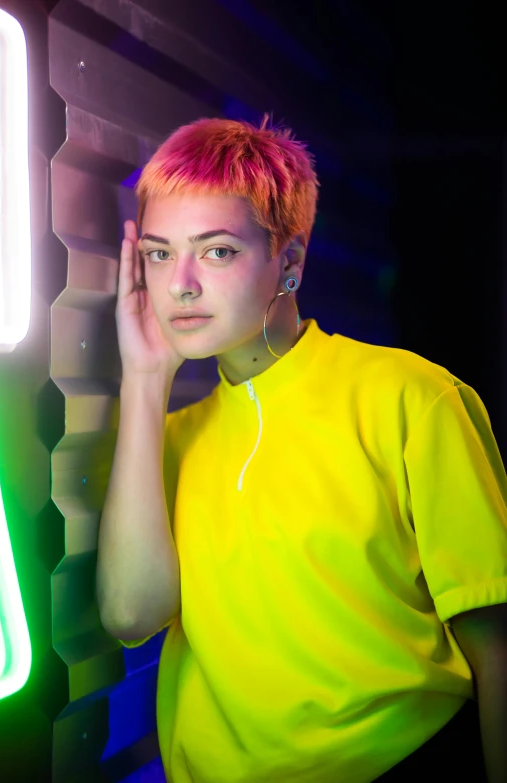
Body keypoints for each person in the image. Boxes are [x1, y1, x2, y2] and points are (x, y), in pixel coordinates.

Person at [96, 114, 507, 783]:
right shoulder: (163, 441)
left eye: (218, 250)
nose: (181, 284)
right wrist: (144, 379)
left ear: (289, 260)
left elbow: (498, 649)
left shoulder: (410, 397)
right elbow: (129, 615)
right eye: (161, 253)